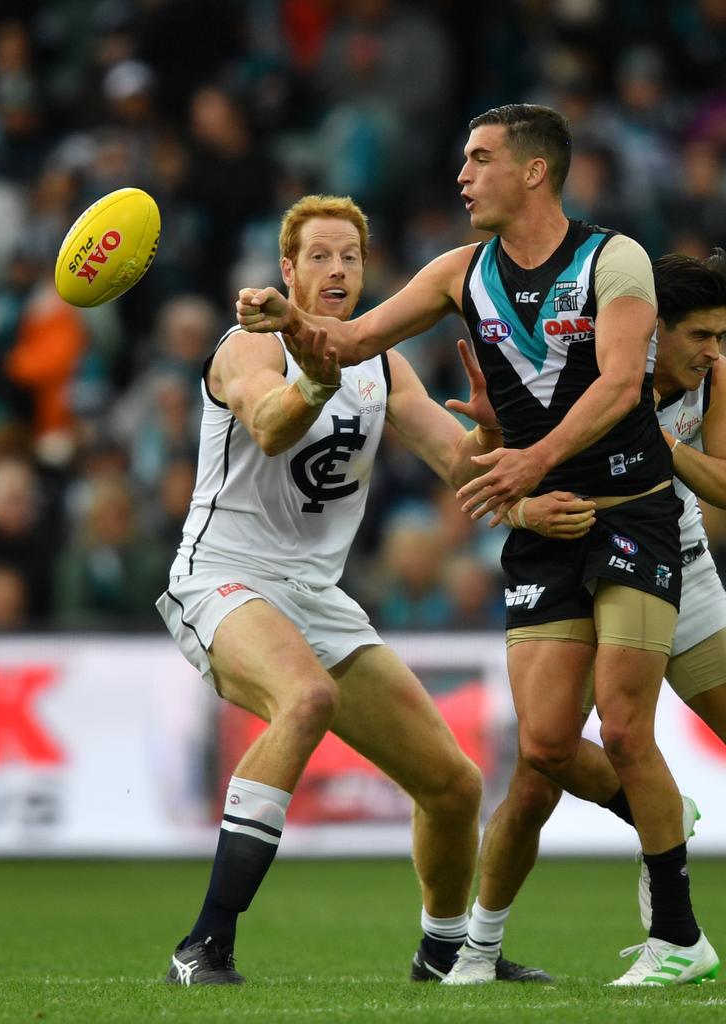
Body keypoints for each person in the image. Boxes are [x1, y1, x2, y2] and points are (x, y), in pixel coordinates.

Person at [236, 104, 718, 986]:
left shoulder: (615, 260)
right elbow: (348, 343)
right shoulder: (459, 272)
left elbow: (619, 385)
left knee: (620, 721)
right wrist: (285, 322)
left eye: (479, 157)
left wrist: (527, 458)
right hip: (541, 532)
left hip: (632, 513)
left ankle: (679, 938)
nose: (461, 174)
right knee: (540, 748)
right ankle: (640, 833)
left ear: (534, 171)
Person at [156, 194, 543, 986]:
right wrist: (312, 382)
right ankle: (204, 945)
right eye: (320, 257)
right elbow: (268, 424)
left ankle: (442, 954)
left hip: (315, 594)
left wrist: (494, 435)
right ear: (287, 271)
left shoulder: (382, 362)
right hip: (223, 575)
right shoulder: (246, 347)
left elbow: (462, 470)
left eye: (351, 257)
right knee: (305, 700)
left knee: (453, 784)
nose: (338, 270)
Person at [457, 249, 726, 982]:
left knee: (622, 733)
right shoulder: (588, 372)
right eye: (700, 335)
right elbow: (488, 482)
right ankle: (475, 949)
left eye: (721, 336)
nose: (713, 352)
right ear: (649, 330)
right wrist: (506, 474)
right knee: (541, 762)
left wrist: (661, 445)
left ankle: (662, 875)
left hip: (684, 565)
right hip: (579, 562)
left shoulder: (714, 382)